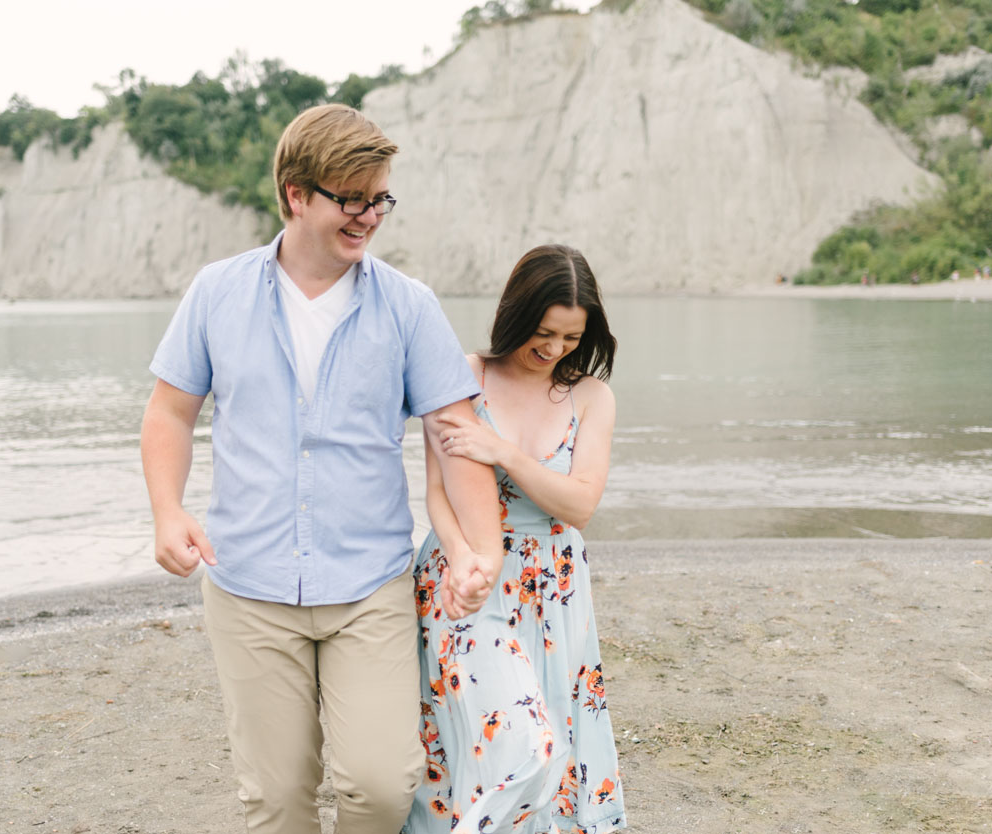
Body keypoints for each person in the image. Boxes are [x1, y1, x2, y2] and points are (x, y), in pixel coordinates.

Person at [140, 103, 503, 834]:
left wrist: (482, 549)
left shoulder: (409, 306)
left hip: (368, 586)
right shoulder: (217, 293)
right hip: (248, 584)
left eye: (380, 200)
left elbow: (455, 430)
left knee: (379, 783)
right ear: (296, 194)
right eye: (352, 199)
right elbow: (169, 411)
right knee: (275, 802)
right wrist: (167, 511)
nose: (369, 216)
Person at [404, 245, 627, 833]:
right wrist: (460, 563)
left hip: (554, 584)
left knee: (551, 743)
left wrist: (501, 451)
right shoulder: (463, 374)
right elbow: (436, 492)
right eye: (545, 332)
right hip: (466, 573)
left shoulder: (591, 397)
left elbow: (580, 504)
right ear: (515, 312)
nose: (554, 350)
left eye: (572, 338)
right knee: (507, 743)